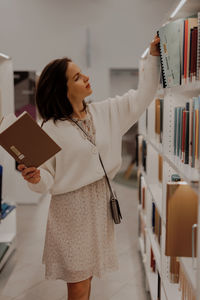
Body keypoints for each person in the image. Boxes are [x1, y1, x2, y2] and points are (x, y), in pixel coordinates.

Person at [17, 35, 160, 300]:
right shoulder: (50, 128)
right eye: (77, 77)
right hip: (70, 212)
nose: (86, 78)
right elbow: (45, 179)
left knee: (88, 279)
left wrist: (153, 56)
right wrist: (35, 177)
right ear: (63, 89)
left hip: (99, 207)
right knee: (78, 286)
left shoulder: (106, 112)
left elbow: (144, 96)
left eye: (82, 73)